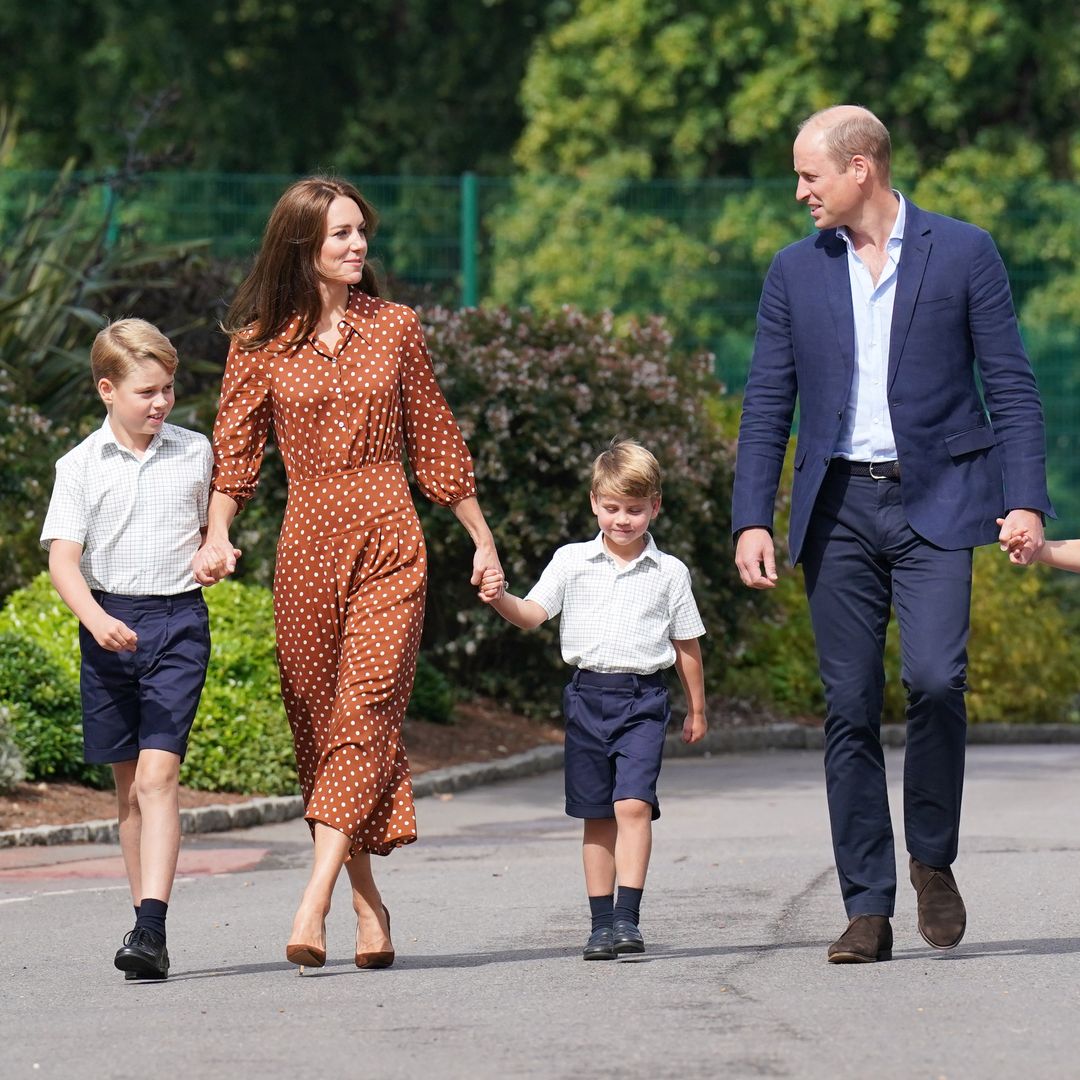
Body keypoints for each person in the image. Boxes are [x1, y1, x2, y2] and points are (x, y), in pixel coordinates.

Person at [731, 106, 1052, 964]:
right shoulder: (794, 271)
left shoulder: (964, 251)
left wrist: (1025, 499)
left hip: (941, 499)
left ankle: (933, 860)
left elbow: (1012, 386)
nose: (800, 192)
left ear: (861, 168)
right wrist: (753, 516)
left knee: (939, 681)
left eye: (810, 175)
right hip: (836, 508)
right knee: (848, 706)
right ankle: (866, 904)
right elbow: (768, 401)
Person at [192, 176, 503, 972]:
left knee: (364, 711)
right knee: (321, 728)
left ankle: (313, 899)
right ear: (303, 245)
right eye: (340, 235)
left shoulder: (395, 327)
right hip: (305, 548)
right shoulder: (259, 341)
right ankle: (370, 904)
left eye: (361, 232)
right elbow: (235, 456)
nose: (358, 245)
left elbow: (434, 438)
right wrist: (218, 537)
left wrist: (480, 537)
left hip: (390, 536)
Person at [479, 439, 707, 960]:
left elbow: (687, 643)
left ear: (655, 506)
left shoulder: (669, 572)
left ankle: (628, 918)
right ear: (593, 503)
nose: (622, 519)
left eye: (634, 509)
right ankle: (600, 925)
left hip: (643, 698)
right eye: (612, 508)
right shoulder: (571, 561)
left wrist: (698, 708)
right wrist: (498, 599)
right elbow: (532, 614)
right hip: (586, 698)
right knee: (597, 815)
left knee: (632, 805)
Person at [41, 319, 214, 980]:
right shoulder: (79, 466)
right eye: (147, 391)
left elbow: (210, 527)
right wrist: (94, 618)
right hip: (107, 623)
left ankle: (149, 927)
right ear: (107, 389)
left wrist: (216, 548)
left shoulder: (195, 452)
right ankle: (150, 934)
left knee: (156, 777)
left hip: (176, 624)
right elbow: (63, 561)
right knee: (127, 795)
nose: (161, 402)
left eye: (168, 388)